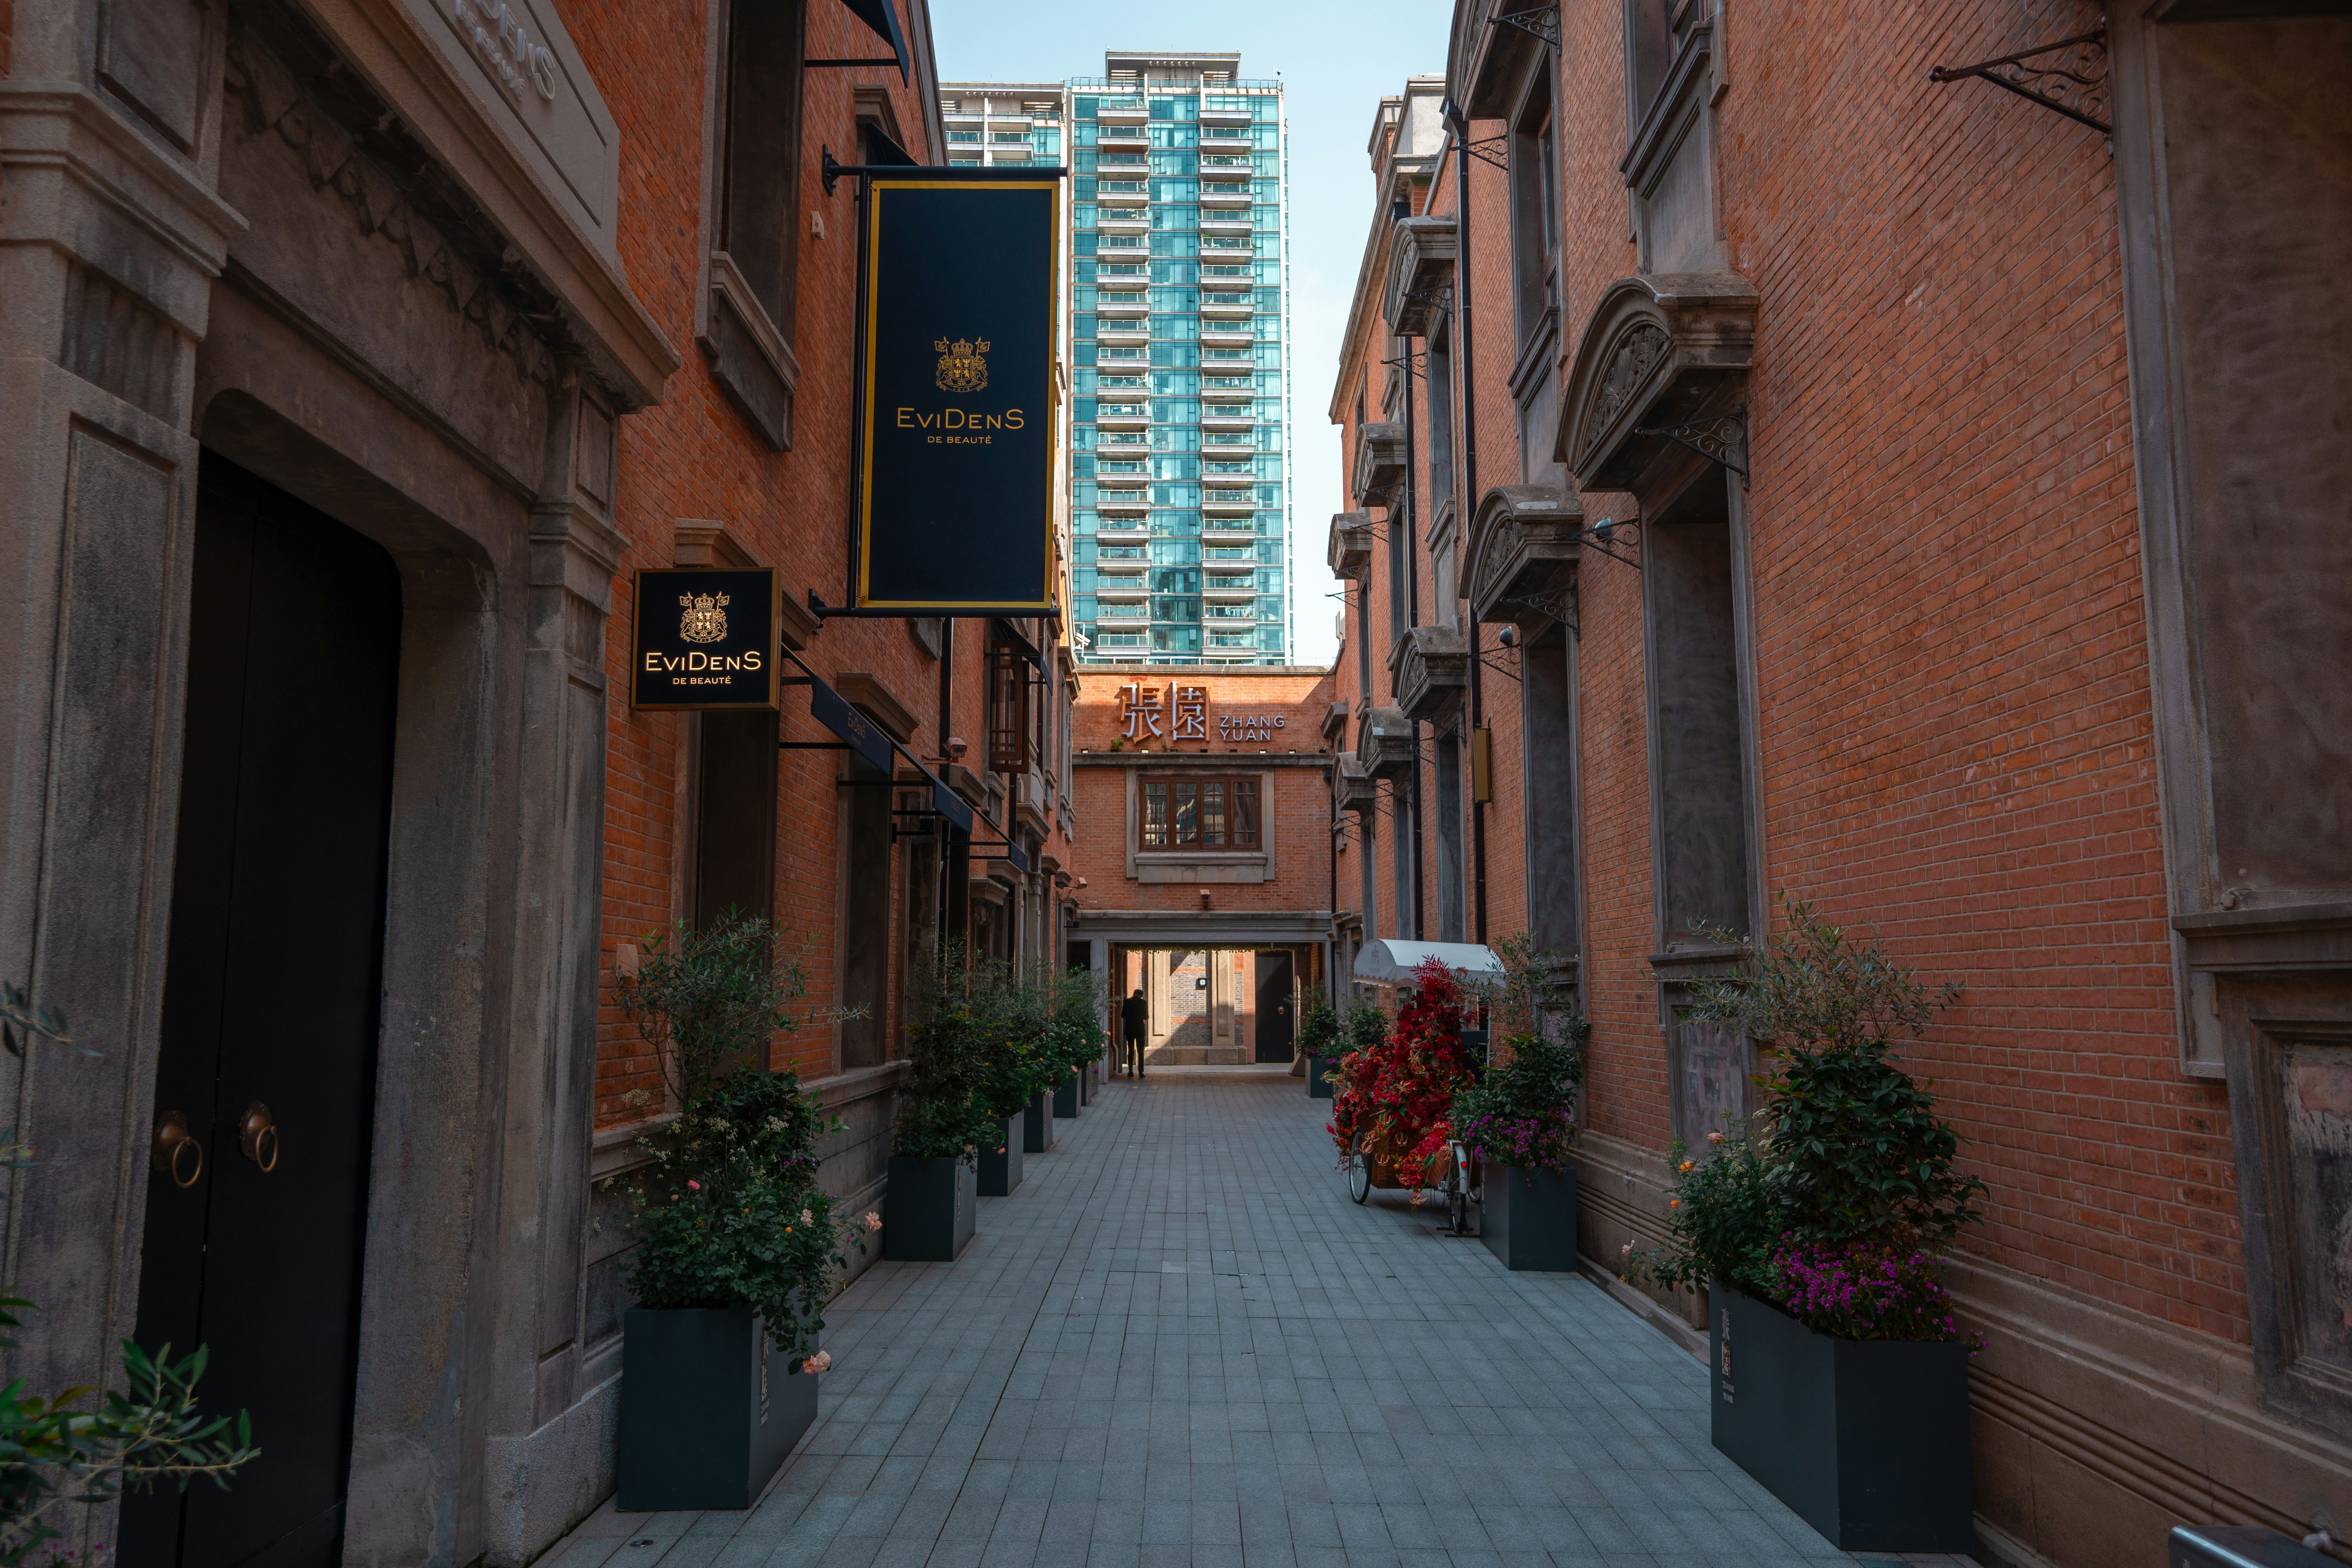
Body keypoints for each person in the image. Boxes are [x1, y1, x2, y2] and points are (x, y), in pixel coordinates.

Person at [1119, 987, 1149, 1078]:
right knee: (1141, 1051)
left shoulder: (1127, 1002)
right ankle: (1141, 1072)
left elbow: (1123, 1015)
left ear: (1134, 993)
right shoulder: (1143, 1003)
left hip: (1130, 1029)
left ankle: (1130, 1071)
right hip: (1140, 1029)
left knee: (1131, 1050)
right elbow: (1146, 1017)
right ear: (1141, 995)